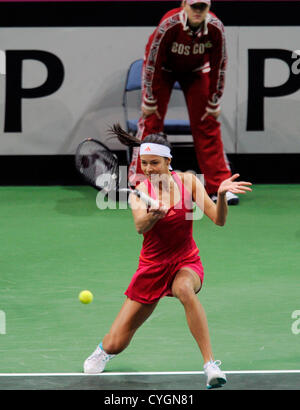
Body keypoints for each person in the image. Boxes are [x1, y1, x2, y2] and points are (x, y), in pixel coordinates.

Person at [83, 124, 252, 389]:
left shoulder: (188, 182)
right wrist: (154, 214)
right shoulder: (139, 191)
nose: (149, 169)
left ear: (168, 161)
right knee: (117, 341)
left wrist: (219, 195)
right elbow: (140, 226)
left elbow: (219, 220)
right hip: (152, 268)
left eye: (154, 163)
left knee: (184, 288)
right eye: (144, 163)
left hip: (186, 261)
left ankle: (210, 365)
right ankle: (104, 349)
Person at [128, 0, 239, 205]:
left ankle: (219, 186)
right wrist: (149, 98)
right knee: (150, 123)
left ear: (208, 8)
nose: (197, 12)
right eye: (193, 7)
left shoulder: (216, 27)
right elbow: (152, 60)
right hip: (163, 71)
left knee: (208, 122)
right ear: (184, 5)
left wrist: (214, 100)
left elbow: (220, 64)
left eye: (202, 7)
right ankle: (140, 184)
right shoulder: (169, 24)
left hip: (196, 72)